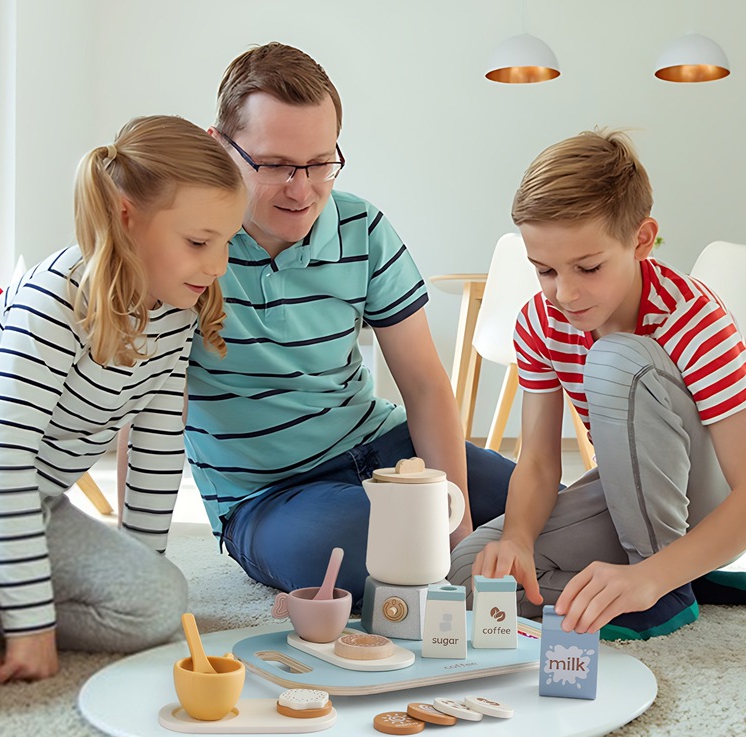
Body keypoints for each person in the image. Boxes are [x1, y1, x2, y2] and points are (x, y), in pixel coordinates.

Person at [185, 42, 515, 603]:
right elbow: (141, 407)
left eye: (320, 164)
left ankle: (667, 575)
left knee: (544, 505)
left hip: (382, 446)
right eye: (274, 165)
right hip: (266, 499)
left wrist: (455, 520)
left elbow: (426, 385)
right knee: (376, 544)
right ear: (220, 149)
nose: (302, 188)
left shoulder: (362, 227)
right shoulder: (187, 244)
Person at [0, 114, 246, 700]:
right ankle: (6, 604)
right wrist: (33, 626)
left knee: (160, 602)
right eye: (198, 242)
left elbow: (157, 444)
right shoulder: (55, 299)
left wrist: (142, 565)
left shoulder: (174, 312)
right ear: (125, 216)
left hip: (33, 509)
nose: (217, 266)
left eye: (226, 243)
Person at [449, 129, 746, 640]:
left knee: (618, 359)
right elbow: (542, 461)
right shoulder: (541, 321)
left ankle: (665, 584)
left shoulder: (693, 318)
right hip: (625, 488)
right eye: (544, 270)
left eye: (588, 267)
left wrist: (651, 574)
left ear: (641, 238)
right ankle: (671, 580)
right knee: (471, 573)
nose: (564, 293)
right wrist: (520, 540)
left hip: (704, 495)